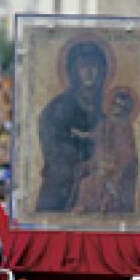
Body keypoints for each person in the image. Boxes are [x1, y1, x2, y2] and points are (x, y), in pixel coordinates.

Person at [37, 40, 107, 211]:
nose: (90, 73)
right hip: (63, 188)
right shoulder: (59, 107)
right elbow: (53, 147)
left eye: (94, 67)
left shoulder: (106, 107)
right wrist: (82, 160)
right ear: (73, 71)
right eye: (84, 67)